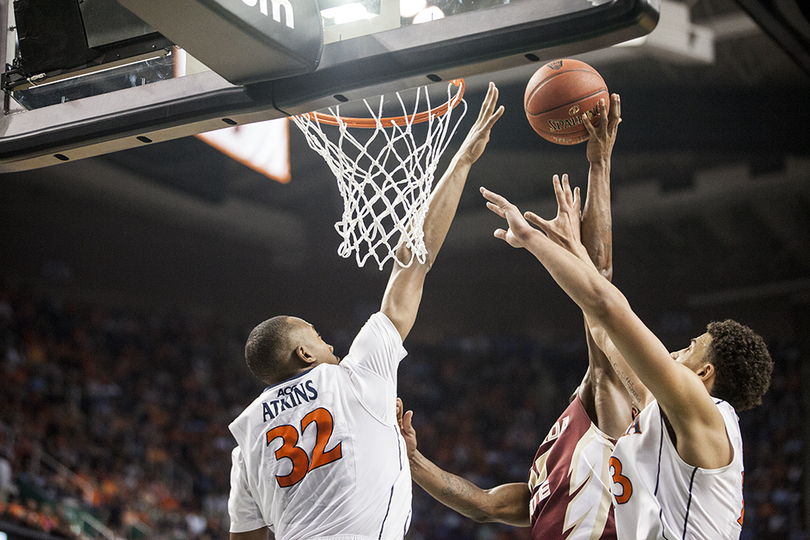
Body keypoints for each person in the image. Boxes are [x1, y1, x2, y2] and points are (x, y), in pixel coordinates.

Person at [226, 83, 504, 540]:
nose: (330, 345)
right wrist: (463, 161)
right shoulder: (355, 377)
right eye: (317, 336)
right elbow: (414, 260)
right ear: (303, 354)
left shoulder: (249, 436)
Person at [480, 170, 773, 539]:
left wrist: (531, 239)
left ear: (704, 373)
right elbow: (603, 328)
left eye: (689, 348)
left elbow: (607, 308)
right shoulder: (670, 415)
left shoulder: (702, 411)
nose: (675, 352)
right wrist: (574, 246)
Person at [399, 95, 642, 539]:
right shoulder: (572, 440)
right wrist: (412, 459)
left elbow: (601, 291)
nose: (669, 355)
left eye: (681, 353)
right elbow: (485, 506)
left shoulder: (617, 412)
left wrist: (600, 166)